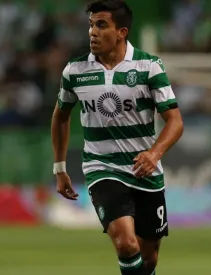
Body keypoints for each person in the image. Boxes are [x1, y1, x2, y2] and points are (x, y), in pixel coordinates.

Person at [50, 1, 184, 274]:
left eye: (101, 25)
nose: (93, 32)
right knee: (126, 244)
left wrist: (154, 153)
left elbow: (175, 121)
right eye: (91, 25)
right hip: (103, 168)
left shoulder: (149, 66)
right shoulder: (75, 71)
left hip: (144, 171)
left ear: (121, 32)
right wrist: (60, 168)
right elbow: (60, 117)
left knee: (149, 260)